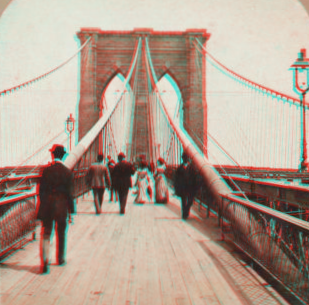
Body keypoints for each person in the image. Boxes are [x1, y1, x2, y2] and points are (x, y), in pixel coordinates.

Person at [37, 144, 75, 274]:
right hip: (62, 206)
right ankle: (60, 259)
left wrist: (42, 206)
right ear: (63, 156)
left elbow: (41, 191)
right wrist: (71, 211)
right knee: (61, 233)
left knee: (46, 233)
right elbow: (70, 194)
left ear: (52, 155)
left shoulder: (46, 171)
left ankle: (45, 262)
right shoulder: (68, 172)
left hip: (48, 205)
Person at [174, 152, 200, 219]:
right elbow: (176, 178)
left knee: (190, 201)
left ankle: (187, 209)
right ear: (182, 159)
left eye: (186, 158)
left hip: (190, 187)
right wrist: (176, 187)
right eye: (184, 158)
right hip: (182, 187)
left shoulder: (192, 168)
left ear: (188, 159)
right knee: (183, 201)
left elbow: (195, 178)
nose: (185, 159)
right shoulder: (179, 168)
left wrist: (196, 187)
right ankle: (184, 214)